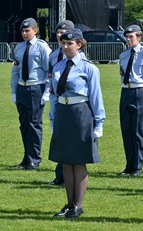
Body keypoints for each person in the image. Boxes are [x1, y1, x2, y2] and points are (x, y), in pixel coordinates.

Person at [49, 28, 105, 218]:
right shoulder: (58, 66)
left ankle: (77, 205)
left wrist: (99, 123)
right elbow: (54, 95)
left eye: (69, 43)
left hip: (81, 113)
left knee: (78, 161)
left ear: (79, 44)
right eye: (63, 43)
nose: (65, 46)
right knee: (65, 161)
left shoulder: (89, 68)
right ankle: (69, 203)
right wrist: (52, 118)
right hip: (63, 113)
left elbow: (96, 97)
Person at [10, 18, 51, 170]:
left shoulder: (42, 47)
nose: (25, 33)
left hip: (36, 88)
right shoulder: (19, 48)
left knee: (34, 124)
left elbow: (49, 71)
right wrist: (14, 91)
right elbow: (15, 71)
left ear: (35, 30)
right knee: (24, 124)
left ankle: (34, 158)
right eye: (23, 31)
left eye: (28, 30)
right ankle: (27, 157)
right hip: (22, 88)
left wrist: (46, 91)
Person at [47, 20, 75, 186]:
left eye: (64, 32)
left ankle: (68, 176)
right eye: (58, 32)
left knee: (70, 138)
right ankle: (60, 174)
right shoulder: (53, 55)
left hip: (72, 102)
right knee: (58, 136)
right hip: (56, 99)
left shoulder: (77, 57)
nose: (60, 34)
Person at [118, 25, 143, 176]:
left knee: (137, 129)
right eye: (127, 37)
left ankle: (138, 166)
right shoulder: (124, 55)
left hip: (139, 90)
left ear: (139, 37)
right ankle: (129, 164)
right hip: (125, 90)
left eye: (132, 37)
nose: (129, 39)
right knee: (126, 129)